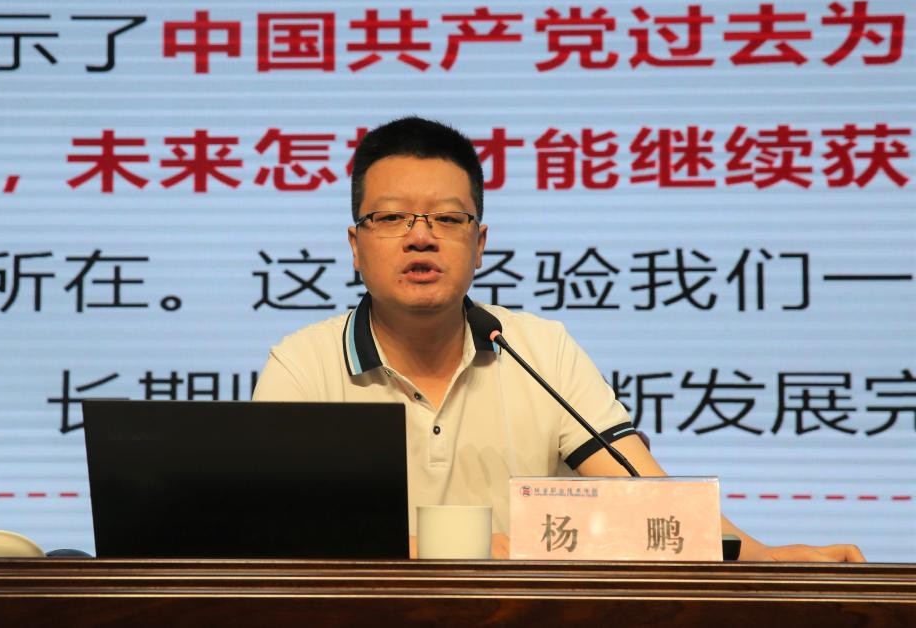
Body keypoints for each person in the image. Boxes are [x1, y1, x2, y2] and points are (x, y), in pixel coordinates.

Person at [253, 116, 864, 562]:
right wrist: (455, 551)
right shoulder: (304, 363)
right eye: (390, 217)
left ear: (479, 244)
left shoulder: (537, 348)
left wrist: (765, 558)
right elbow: (276, 529)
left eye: (447, 218)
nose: (420, 236)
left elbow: (645, 494)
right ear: (356, 246)